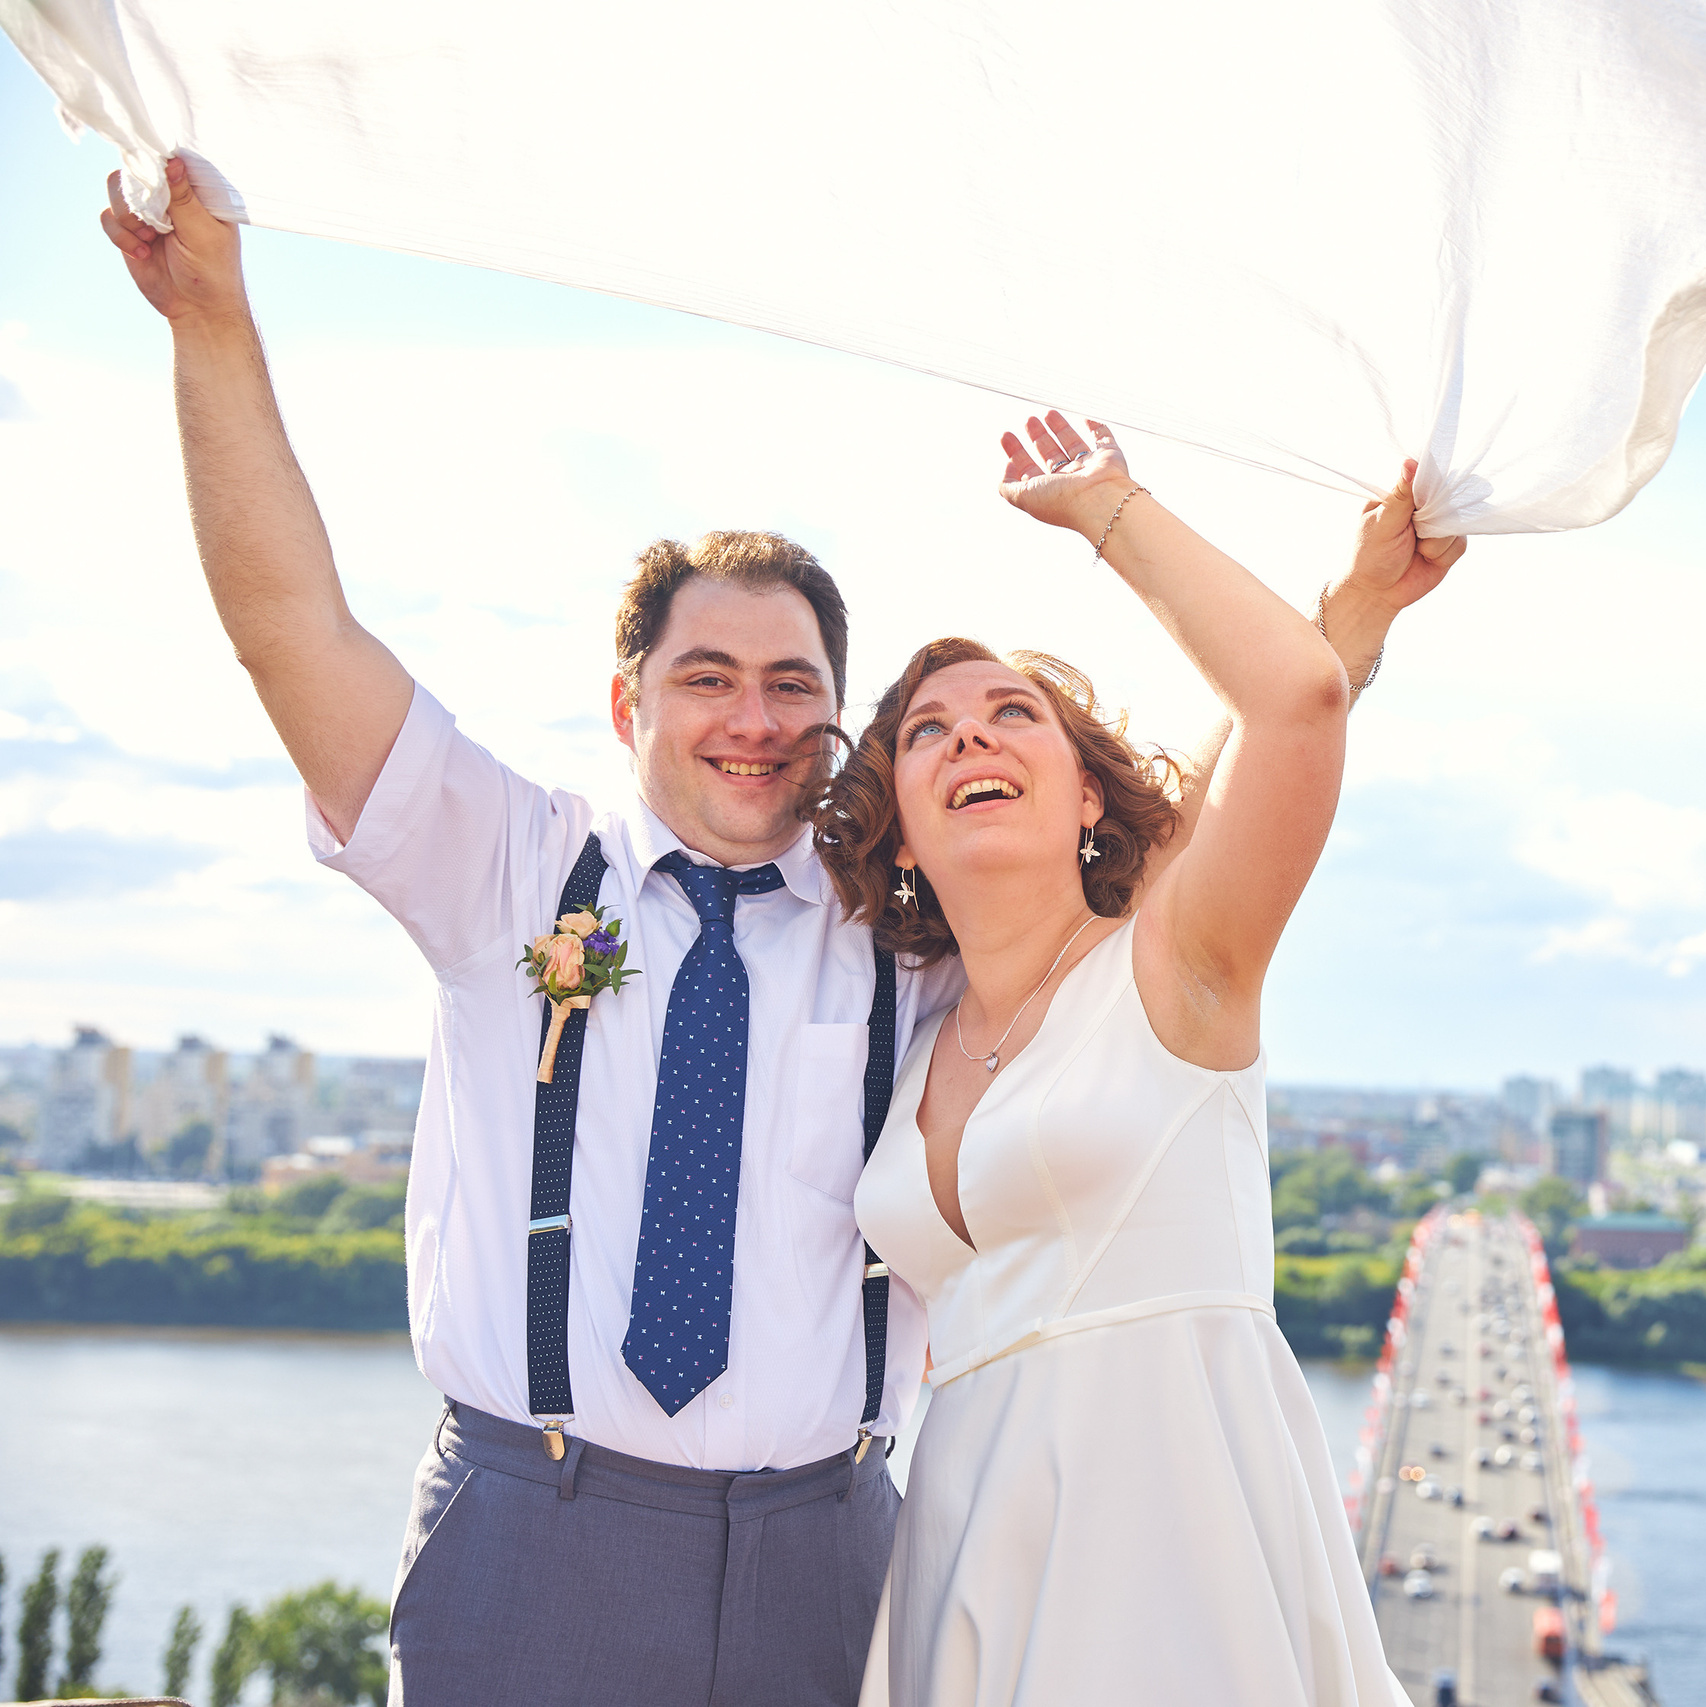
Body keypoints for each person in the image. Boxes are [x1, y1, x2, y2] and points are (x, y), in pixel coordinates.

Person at [98, 160, 1446, 1704]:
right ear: (628, 705)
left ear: (837, 729)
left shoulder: (920, 935)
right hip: (537, 1540)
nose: (754, 719)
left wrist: (1349, 622)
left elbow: (1183, 834)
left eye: (795, 686)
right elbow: (294, 632)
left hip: (836, 1553)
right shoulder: (508, 868)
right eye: (709, 678)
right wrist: (211, 325)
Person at [817, 411, 1461, 1704]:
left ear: (1090, 796)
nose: (970, 737)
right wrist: (1351, 611)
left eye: (1013, 713)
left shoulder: (1177, 967)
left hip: (1172, 1552)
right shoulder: (917, 1034)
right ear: (902, 834)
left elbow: (1289, 706)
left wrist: (1108, 509)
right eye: (927, 731)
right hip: (964, 1552)